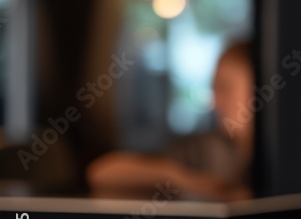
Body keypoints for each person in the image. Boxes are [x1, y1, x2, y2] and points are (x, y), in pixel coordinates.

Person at [86, 41, 254, 201]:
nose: (215, 102)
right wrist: (180, 179)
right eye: (216, 89)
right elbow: (102, 173)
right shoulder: (205, 150)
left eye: (225, 88)